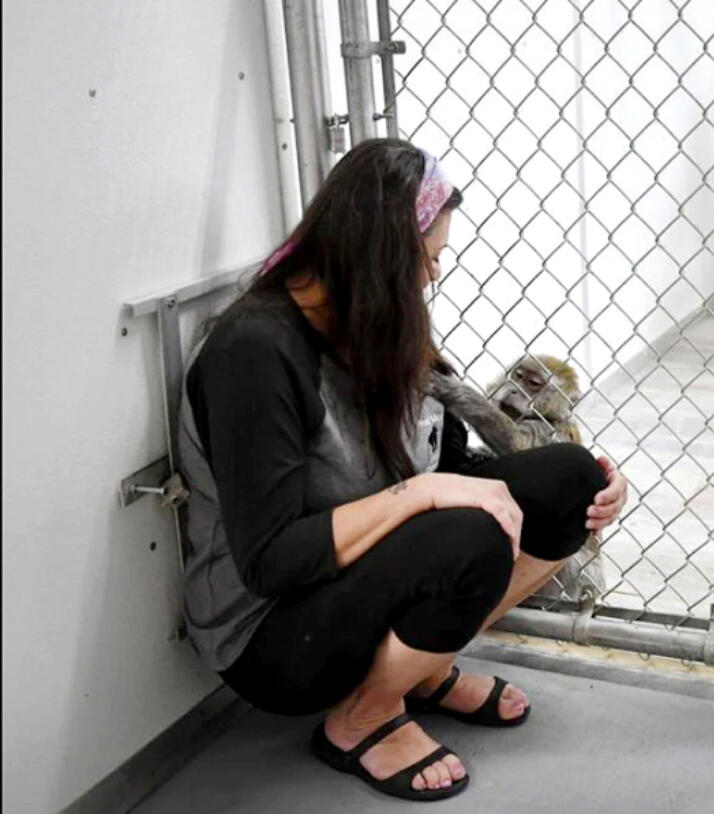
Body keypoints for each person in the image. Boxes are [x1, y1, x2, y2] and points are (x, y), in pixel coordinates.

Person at [176, 139, 628, 802]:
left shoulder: (375, 320)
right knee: (469, 534)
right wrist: (422, 495)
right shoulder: (254, 352)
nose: (434, 278)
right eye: (429, 259)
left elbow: (440, 464)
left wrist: (586, 480)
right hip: (271, 634)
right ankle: (361, 718)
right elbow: (270, 561)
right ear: (381, 260)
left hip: (357, 574)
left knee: (570, 482)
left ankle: (413, 672)